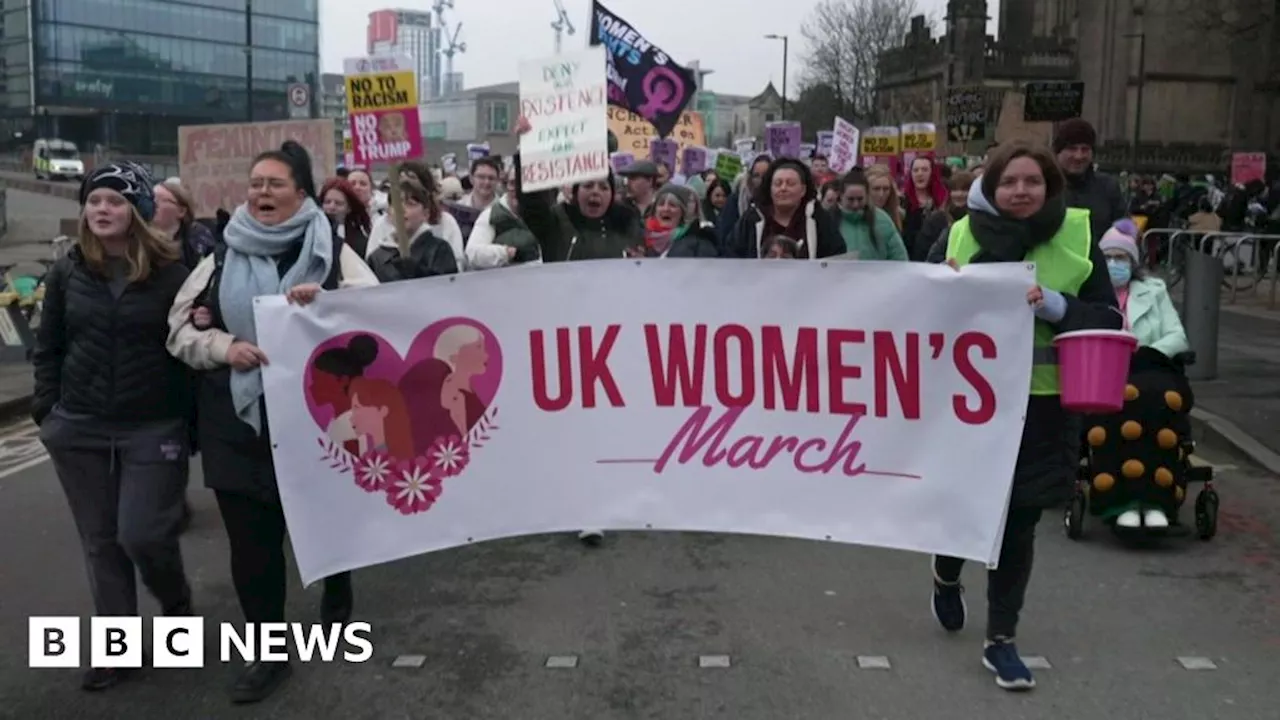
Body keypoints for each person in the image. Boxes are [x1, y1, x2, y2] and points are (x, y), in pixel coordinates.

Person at [166, 140, 378, 704]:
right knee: (252, 546)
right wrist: (223, 345)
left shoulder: (332, 251)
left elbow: (376, 317)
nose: (261, 192)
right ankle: (271, 652)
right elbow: (179, 332)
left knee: (322, 524)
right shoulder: (220, 255)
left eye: (275, 184)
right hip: (238, 423)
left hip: (317, 421)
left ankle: (338, 584)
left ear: (301, 194)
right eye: (255, 183)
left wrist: (326, 305)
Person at [935, 140, 1122, 691]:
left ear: (1050, 188)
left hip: (1043, 403)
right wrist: (941, 287)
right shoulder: (960, 235)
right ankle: (947, 573)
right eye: (1009, 182)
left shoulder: (1079, 237)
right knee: (965, 509)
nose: (1020, 191)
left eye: (1032, 182)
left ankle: (1002, 640)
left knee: (1018, 521)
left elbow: (1109, 318)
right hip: (968, 405)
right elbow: (913, 309)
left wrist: (1058, 306)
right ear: (991, 187)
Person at [34, 162, 195, 691]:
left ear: (139, 212)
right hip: (78, 427)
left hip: (153, 425)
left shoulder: (173, 271)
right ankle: (117, 648)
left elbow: (187, 351)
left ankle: (175, 604)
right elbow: (49, 346)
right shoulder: (67, 270)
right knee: (100, 541)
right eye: (94, 200)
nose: (102, 209)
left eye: (115, 201)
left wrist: (190, 424)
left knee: (143, 533)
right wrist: (48, 413)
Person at [1082, 222, 1192, 529]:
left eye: (1122, 258)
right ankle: (1121, 502)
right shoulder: (1087, 293)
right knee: (1118, 405)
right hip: (1104, 372)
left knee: (1156, 403)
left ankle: (1156, 501)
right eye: (1109, 258)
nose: (1115, 264)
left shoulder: (1154, 292)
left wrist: (1147, 352)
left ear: (1134, 262)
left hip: (1151, 365)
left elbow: (1176, 335)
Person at [724, 157, 845, 259]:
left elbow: (836, 258)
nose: (783, 188)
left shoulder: (819, 219)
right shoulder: (752, 219)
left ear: (803, 190)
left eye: (790, 183)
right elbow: (731, 255)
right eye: (778, 183)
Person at [367, 179, 462, 282]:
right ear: (389, 213)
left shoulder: (438, 250)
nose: (401, 210)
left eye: (410, 204)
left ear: (425, 214)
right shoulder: (377, 257)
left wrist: (417, 271)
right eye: (396, 204)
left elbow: (446, 287)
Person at [1054, 118, 1126, 241]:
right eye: (1072, 148)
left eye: (1085, 149)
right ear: (1058, 152)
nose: (1078, 156)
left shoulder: (1108, 187)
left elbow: (1122, 230)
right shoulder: (1045, 186)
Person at [832, 170, 908, 261]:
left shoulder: (882, 220)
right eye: (850, 199)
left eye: (860, 199)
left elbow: (899, 257)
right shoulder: (829, 221)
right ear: (841, 196)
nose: (855, 204)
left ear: (867, 196)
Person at [630, 185, 719, 258]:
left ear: (682, 212)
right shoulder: (639, 239)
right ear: (655, 210)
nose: (666, 209)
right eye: (661, 204)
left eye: (672, 205)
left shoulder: (699, 243)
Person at [152, 178, 215, 268]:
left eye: (161, 200)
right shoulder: (139, 236)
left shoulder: (198, 236)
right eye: (151, 199)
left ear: (181, 211)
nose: (154, 204)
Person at [715, 154, 772, 249]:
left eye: (766, 175)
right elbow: (726, 239)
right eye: (756, 175)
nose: (761, 180)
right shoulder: (735, 201)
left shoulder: (779, 203)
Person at [923, 171, 978, 263]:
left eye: (965, 190)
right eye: (955, 190)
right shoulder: (937, 219)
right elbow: (929, 254)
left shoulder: (980, 220)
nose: (959, 194)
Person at [320, 177, 372, 260]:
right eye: (327, 202)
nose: (332, 207)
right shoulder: (311, 235)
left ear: (349, 208)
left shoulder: (360, 243)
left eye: (338, 203)